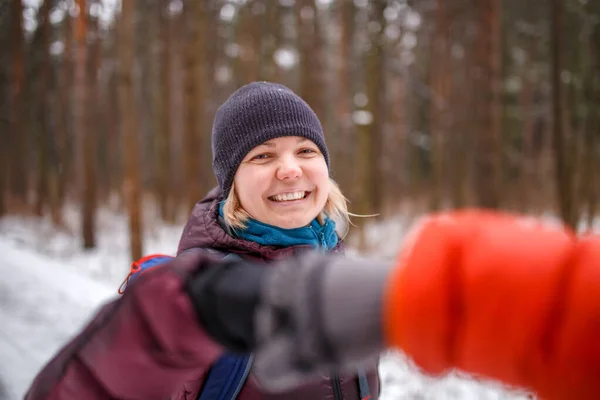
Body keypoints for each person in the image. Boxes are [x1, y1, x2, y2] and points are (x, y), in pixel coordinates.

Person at [24, 81, 381, 400]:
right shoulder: (192, 296)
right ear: (232, 184)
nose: (290, 169)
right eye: (263, 155)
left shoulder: (341, 275)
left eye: (306, 151)